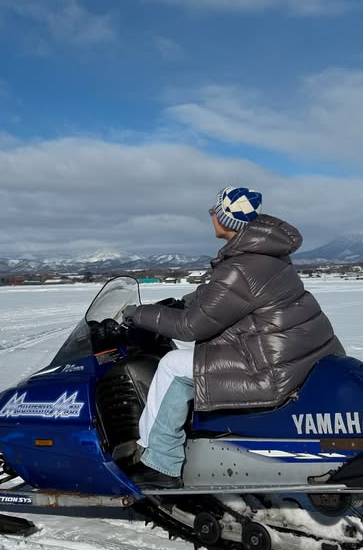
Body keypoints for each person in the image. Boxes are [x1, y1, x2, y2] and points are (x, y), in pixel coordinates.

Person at [123, 186, 345, 489]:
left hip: (270, 367)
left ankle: (160, 462)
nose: (211, 214)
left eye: (215, 209)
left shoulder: (239, 266)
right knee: (186, 358)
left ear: (227, 219)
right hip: (293, 354)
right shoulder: (264, 253)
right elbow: (234, 297)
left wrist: (138, 314)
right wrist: (190, 299)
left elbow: (192, 327)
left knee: (173, 365)